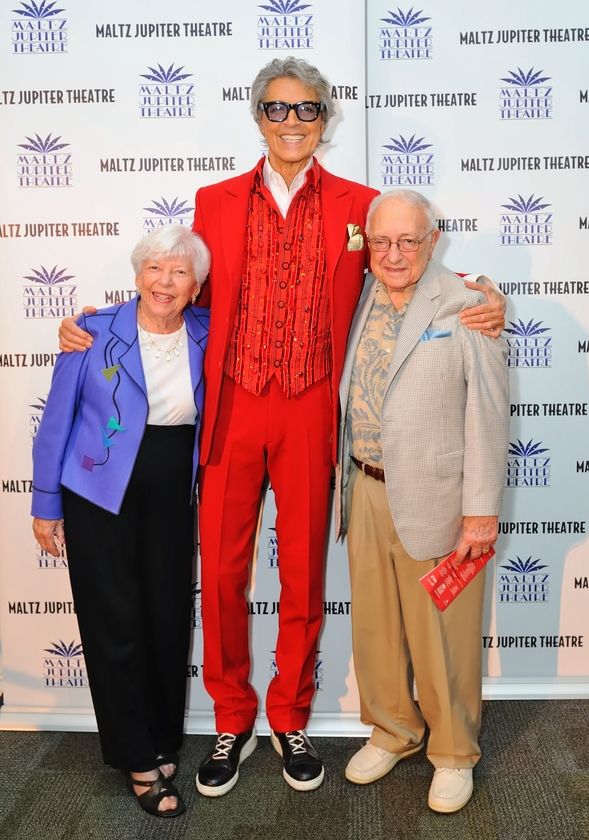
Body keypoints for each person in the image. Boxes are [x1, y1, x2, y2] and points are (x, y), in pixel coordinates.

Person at [57, 56, 505, 795]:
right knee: (224, 574)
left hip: (310, 411)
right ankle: (232, 718)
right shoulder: (214, 200)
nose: (291, 122)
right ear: (258, 118)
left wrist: (489, 295)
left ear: (324, 122)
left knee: (302, 576)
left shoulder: (363, 207)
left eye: (306, 110)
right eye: (277, 108)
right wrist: (99, 326)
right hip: (231, 406)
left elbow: (416, 271)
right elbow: (177, 292)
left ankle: (290, 714)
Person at [337, 189, 509, 813]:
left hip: (439, 496)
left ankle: (454, 751)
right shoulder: (356, 297)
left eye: (408, 240)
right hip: (364, 488)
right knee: (376, 627)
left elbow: (489, 415)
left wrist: (481, 511)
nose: (394, 252)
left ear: (433, 240)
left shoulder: (469, 304)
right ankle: (394, 730)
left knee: (445, 635)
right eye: (381, 241)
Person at [32, 226, 210, 818]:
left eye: (179, 272)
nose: (165, 281)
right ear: (137, 275)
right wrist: (45, 501)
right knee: (114, 621)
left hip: (170, 489)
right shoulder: (92, 331)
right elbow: (56, 419)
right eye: (155, 269)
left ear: (196, 285)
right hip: (97, 489)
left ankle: (161, 738)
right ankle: (137, 756)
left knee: (165, 615)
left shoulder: (209, 334)